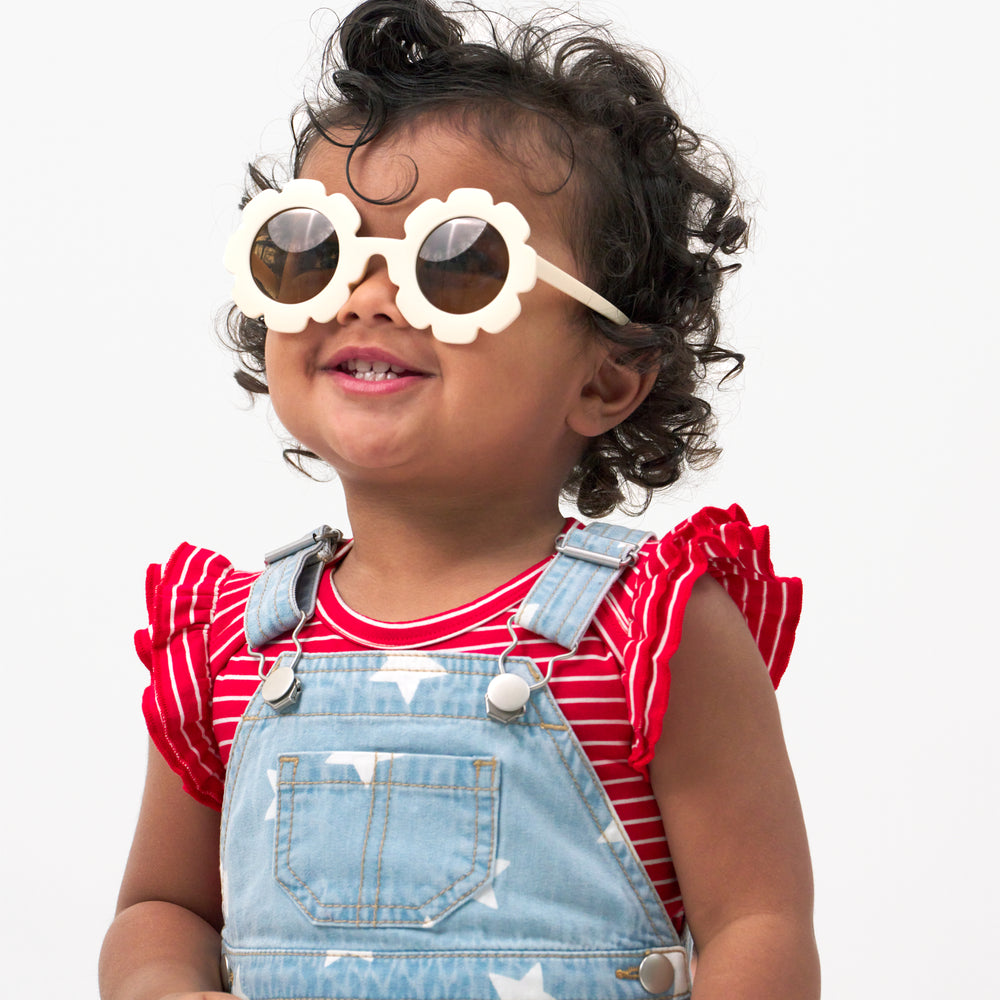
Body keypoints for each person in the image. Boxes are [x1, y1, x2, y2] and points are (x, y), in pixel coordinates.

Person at [99, 2, 819, 998]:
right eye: (313, 251)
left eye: (457, 264)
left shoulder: (649, 629)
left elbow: (759, 924)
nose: (365, 295)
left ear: (605, 379)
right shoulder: (232, 642)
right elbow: (163, 906)